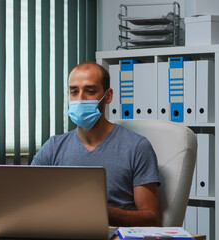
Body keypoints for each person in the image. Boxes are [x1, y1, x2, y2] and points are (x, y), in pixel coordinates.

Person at [31, 62, 160, 227]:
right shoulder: (53, 147)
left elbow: (151, 218)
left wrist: (97, 211)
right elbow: (29, 199)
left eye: (90, 91)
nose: (80, 99)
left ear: (108, 96)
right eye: (74, 92)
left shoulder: (137, 147)